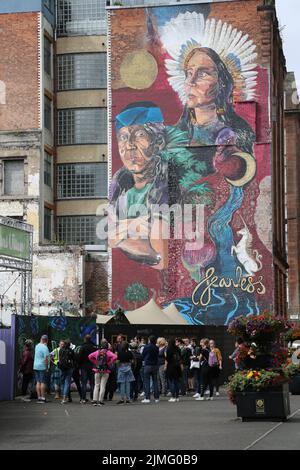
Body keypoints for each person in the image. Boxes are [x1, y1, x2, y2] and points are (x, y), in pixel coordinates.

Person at [88, 339, 117, 406]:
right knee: (103, 385)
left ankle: (95, 400)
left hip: (97, 370)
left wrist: (95, 362)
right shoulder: (108, 352)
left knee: (96, 385)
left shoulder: (97, 352)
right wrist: (109, 363)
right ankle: (100, 400)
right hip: (105, 370)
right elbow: (115, 357)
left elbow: (89, 356)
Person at [77, 334, 97, 403]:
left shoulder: (83, 347)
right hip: (92, 366)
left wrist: (79, 366)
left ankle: (83, 398)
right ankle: (92, 398)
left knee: (84, 383)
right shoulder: (94, 347)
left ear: (85, 339)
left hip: (84, 366)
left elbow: (79, 357)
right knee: (92, 383)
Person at [141, 335, 159, 404]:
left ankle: (147, 398)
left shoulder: (146, 347)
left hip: (148, 365)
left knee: (147, 382)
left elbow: (143, 355)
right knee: (155, 381)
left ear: (149, 340)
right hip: (155, 365)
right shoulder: (156, 347)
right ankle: (156, 397)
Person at [33, 334, 50, 404]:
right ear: (46, 340)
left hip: (35, 366)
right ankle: (43, 398)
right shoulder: (45, 347)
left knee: (38, 382)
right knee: (43, 382)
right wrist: (46, 368)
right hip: (42, 366)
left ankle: (39, 397)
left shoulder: (37, 346)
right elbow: (46, 359)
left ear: (41, 339)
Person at [165, 338, 182, 403]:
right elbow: (180, 357)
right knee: (176, 382)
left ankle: (173, 397)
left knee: (171, 382)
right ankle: (177, 397)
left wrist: (165, 366)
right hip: (177, 367)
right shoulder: (178, 348)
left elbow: (167, 359)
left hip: (171, 367)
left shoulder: (168, 349)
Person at [58, 339, 75, 405]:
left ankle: (63, 396)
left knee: (62, 382)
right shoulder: (71, 351)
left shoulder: (61, 350)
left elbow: (59, 358)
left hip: (62, 368)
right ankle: (65, 397)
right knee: (67, 382)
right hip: (69, 368)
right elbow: (74, 359)